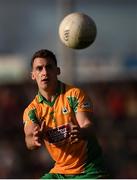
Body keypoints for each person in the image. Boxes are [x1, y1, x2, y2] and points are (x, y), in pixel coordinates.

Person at [23, 49, 109, 179]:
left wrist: (81, 131)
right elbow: (29, 139)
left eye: (49, 67)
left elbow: (88, 125)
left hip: (88, 169)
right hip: (60, 172)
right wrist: (34, 139)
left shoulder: (74, 95)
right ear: (33, 75)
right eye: (39, 69)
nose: (45, 72)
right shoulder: (32, 110)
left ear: (57, 71)